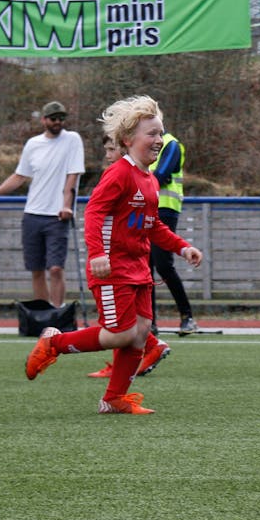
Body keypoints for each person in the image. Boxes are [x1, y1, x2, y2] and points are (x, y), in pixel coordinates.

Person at [24, 95, 203, 414]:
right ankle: (55, 343)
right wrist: (97, 254)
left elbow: (152, 226)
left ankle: (113, 398)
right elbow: (94, 211)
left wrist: (182, 246)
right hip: (112, 269)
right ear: (127, 139)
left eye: (161, 133)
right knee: (120, 334)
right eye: (152, 134)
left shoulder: (149, 179)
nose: (159, 140)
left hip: (139, 270)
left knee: (140, 334)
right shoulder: (119, 173)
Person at [0, 101, 85, 307]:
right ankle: (42, 314)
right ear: (44, 120)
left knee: (55, 268)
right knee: (36, 269)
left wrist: (66, 206)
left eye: (61, 118)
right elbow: (19, 176)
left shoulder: (72, 140)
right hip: (32, 214)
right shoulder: (33, 144)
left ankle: (57, 314)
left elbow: (71, 177)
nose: (58, 122)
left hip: (57, 216)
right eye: (53, 118)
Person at [86, 134, 172, 380]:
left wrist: (98, 253)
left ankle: (55, 343)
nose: (109, 155)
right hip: (125, 261)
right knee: (128, 323)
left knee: (121, 327)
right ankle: (116, 392)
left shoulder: (130, 175)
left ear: (125, 146)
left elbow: (94, 211)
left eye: (112, 149)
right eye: (106, 150)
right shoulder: (126, 174)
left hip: (120, 263)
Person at [149, 130, 198, 336]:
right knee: (145, 266)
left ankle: (187, 316)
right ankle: (149, 321)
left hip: (166, 209)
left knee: (163, 265)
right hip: (146, 207)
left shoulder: (171, 144)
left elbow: (160, 175)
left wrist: (136, 185)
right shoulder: (144, 143)